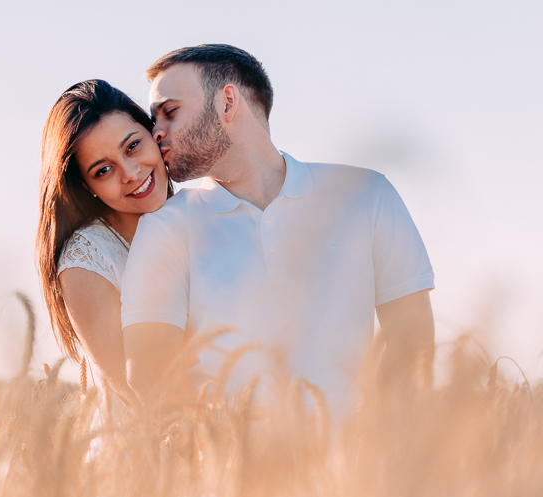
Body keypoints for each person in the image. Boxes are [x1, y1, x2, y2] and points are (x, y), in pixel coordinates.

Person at [121, 45, 435, 417]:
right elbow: (149, 377)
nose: (155, 133)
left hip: (356, 467)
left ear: (227, 103)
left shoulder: (367, 194)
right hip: (233, 469)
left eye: (169, 112)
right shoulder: (164, 229)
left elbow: (412, 343)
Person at [36, 80, 170, 403]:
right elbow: (138, 395)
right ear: (87, 187)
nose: (131, 172)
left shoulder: (199, 215)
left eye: (132, 146)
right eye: (104, 169)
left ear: (153, 134)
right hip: (146, 448)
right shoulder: (86, 259)